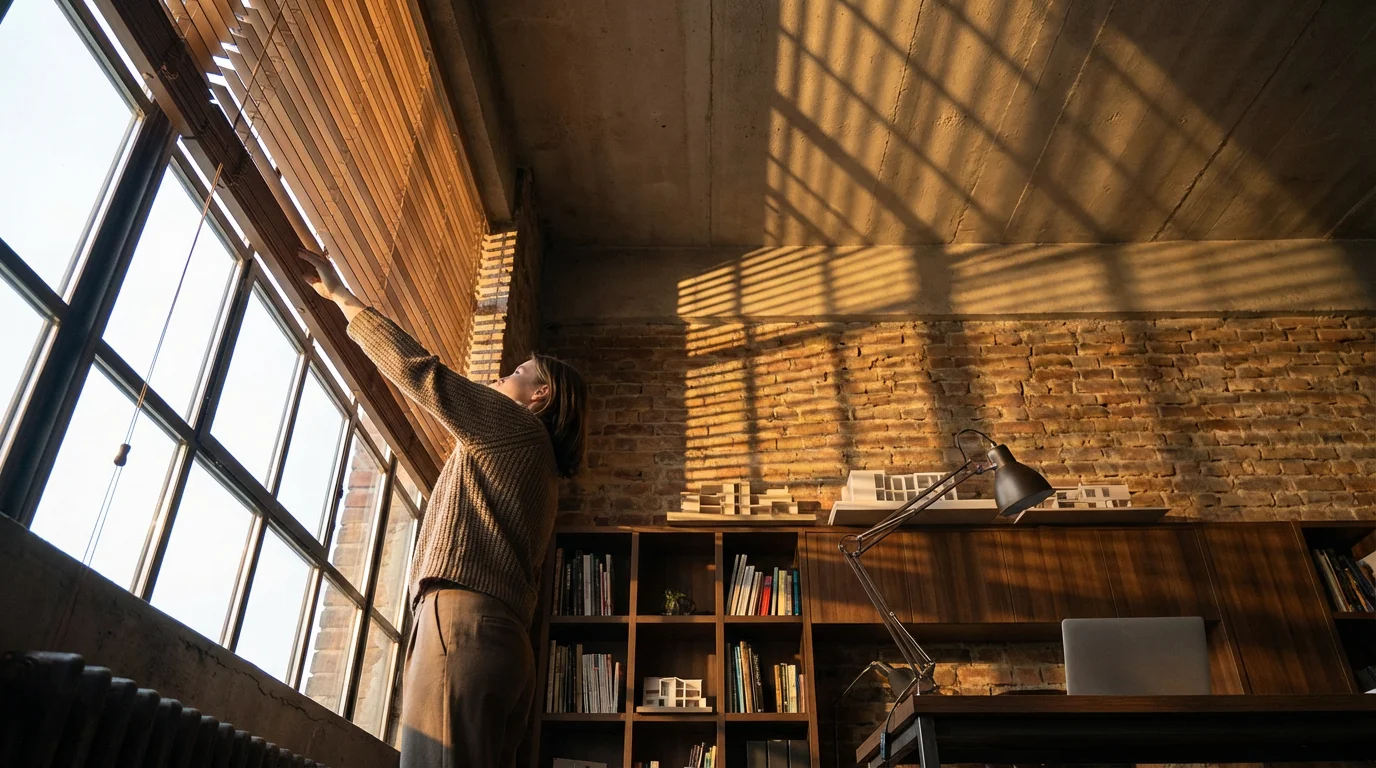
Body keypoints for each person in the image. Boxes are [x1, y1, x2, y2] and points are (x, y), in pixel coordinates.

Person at [301, 248, 588, 767]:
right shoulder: (545, 476)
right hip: (505, 648)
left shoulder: (515, 428)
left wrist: (343, 298)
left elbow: (423, 376)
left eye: (517, 371)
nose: (503, 375)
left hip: (463, 626)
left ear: (539, 396)